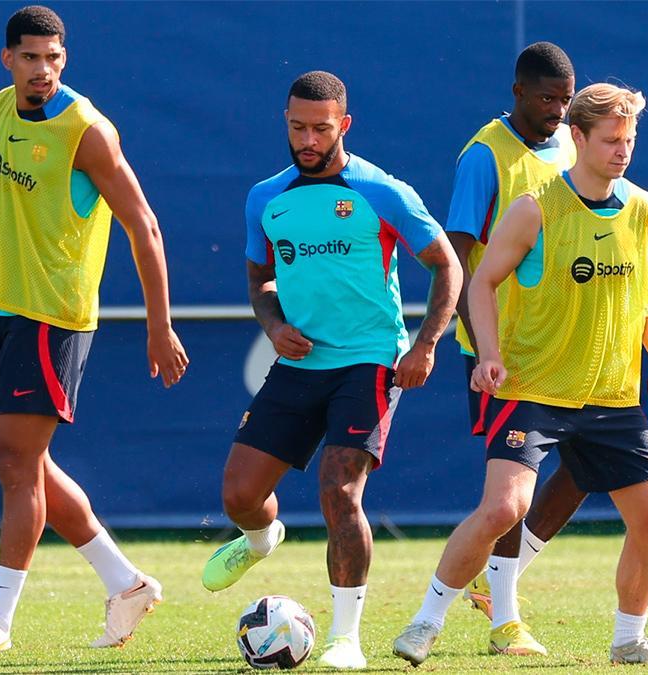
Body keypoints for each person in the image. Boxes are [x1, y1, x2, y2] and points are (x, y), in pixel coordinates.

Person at [0, 5, 189, 652]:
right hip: (4, 311)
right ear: (7, 58)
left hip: (56, 316)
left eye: (54, 58)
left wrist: (160, 324)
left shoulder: (86, 130)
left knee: (16, 461)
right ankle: (125, 581)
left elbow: (144, 224)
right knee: (24, 461)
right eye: (32, 57)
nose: (43, 70)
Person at [392, 83, 648, 666]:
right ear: (576, 138)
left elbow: (645, 299)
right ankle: (426, 621)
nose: (622, 151)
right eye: (610, 140)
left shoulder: (647, 210)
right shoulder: (534, 208)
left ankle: (628, 640)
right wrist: (491, 353)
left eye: (629, 140)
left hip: (610, 395)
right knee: (504, 509)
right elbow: (481, 281)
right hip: (531, 389)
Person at [202, 71, 462, 670]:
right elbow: (259, 281)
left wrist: (424, 346)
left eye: (322, 128)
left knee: (339, 491)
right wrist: (272, 325)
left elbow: (446, 266)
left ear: (344, 125)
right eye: (298, 127)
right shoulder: (266, 197)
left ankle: (346, 637)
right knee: (240, 495)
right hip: (298, 364)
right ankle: (262, 537)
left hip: (369, 361)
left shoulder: (381, 190)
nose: (308, 139)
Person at [443, 41, 587, 655]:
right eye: (547, 98)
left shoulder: (574, 148)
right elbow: (456, 256)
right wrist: (481, 348)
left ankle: (498, 578)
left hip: (573, 344)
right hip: (506, 350)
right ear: (517, 93)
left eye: (565, 99)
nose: (557, 110)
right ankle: (506, 619)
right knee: (508, 495)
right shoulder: (484, 156)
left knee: (588, 468)